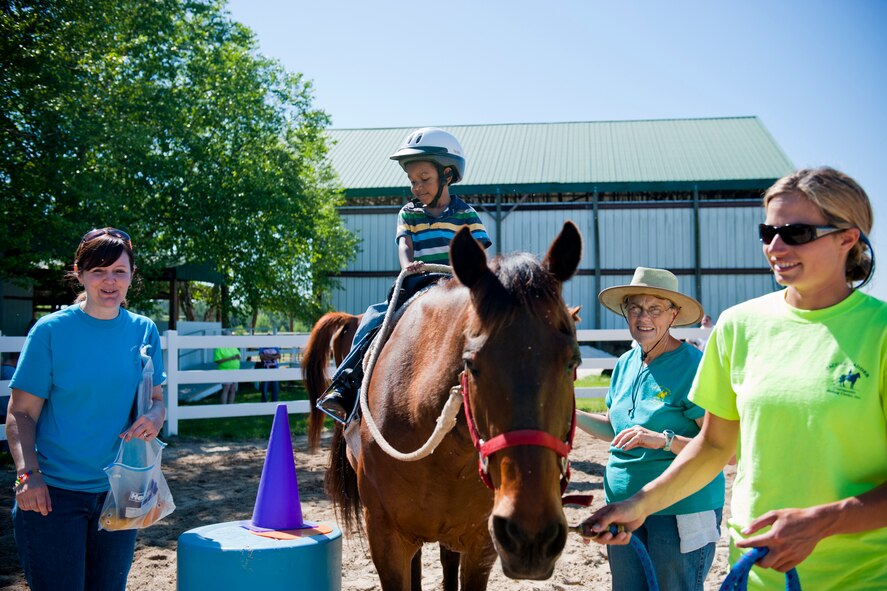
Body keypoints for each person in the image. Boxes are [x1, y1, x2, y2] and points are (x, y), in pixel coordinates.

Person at [584, 167, 886, 590]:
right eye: (768, 232)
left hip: (860, 576)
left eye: (795, 232)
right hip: (754, 572)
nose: (776, 247)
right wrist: (638, 505)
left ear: (847, 238)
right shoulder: (738, 326)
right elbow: (714, 446)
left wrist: (824, 521)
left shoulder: (881, 332)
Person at [6, 227, 166, 591]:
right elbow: (21, 413)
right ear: (79, 273)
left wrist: (154, 418)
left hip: (120, 492)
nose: (109, 281)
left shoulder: (145, 331)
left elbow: (157, 401)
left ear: (131, 276)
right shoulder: (50, 332)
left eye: (119, 271)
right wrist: (28, 475)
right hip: (52, 496)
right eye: (98, 271)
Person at [317, 127, 491, 423]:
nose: (417, 186)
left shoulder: (466, 215)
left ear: (447, 175)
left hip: (456, 287)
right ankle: (345, 385)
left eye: (424, 179)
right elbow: (404, 245)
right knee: (374, 318)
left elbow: (479, 253)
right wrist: (408, 264)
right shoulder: (408, 213)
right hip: (418, 282)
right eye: (412, 181)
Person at [576, 267, 724, 590]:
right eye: (635, 308)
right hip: (624, 508)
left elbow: (720, 450)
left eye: (655, 309)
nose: (643, 317)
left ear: (673, 315)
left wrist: (662, 440)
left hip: (680, 510)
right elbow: (615, 429)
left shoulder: (693, 366)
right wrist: (569, 415)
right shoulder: (625, 364)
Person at [213, 335, 240, 404]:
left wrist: (237, 357)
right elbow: (217, 361)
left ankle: (230, 406)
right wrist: (230, 358)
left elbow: (238, 356)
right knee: (226, 388)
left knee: (233, 389)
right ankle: (223, 407)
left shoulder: (233, 346)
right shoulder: (219, 348)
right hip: (225, 370)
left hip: (235, 370)